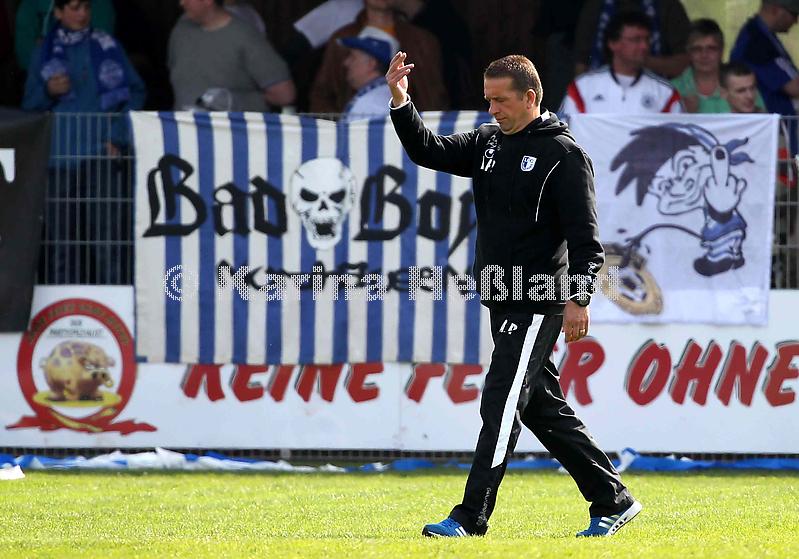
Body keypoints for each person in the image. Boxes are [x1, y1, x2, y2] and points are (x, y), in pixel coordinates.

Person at [386, 52, 641, 537]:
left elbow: (587, 240)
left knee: (501, 402)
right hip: (500, 295)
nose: (493, 110)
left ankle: (469, 517)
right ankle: (613, 500)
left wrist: (579, 297)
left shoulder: (564, 155)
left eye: (501, 100)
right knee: (543, 409)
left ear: (530, 97)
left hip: (539, 300)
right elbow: (428, 151)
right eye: (488, 100)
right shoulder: (487, 142)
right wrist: (401, 101)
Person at [21, 0, 145, 284]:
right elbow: (29, 105)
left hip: (100, 154)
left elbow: (136, 93)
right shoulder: (43, 51)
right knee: (61, 244)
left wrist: (118, 135)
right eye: (75, 7)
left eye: (86, 7)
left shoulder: (107, 45)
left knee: (108, 241)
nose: (83, 14)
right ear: (58, 12)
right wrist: (48, 90)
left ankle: (112, 307)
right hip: (58, 158)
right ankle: (64, 309)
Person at [310, 0, 447, 113]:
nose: (347, 62)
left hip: (411, 130)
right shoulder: (342, 38)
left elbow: (434, 95)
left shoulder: (422, 41)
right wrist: (339, 128)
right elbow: (322, 94)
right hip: (352, 129)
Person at [168, 0, 295, 111]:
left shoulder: (245, 37)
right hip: (181, 127)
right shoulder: (181, 30)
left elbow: (284, 95)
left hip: (227, 129)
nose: (181, 3)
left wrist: (234, 102)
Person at [559, 10, 682, 121]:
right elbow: (562, 132)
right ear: (613, 43)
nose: (644, 46)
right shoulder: (582, 88)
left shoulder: (666, 93)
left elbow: (678, 135)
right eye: (636, 40)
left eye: (647, 40)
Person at [730, 0, 799, 152]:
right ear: (775, 9)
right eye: (794, 14)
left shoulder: (763, 35)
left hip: (778, 128)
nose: (796, 21)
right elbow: (794, 87)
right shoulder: (757, 41)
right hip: (768, 133)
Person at [573, 0, 689, 78]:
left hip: (656, 92)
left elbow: (685, 62)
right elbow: (581, 61)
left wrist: (640, 60)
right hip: (601, 89)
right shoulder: (595, 5)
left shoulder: (667, 5)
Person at [14, 0, 115, 72]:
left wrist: (47, 46)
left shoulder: (100, 4)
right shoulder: (32, 4)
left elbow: (99, 50)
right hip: (40, 80)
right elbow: (25, 53)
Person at [339, 26, 396, 121]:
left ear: (371, 64)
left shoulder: (370, 103)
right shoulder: (385, 94)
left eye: (353, 57)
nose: (346, 62)